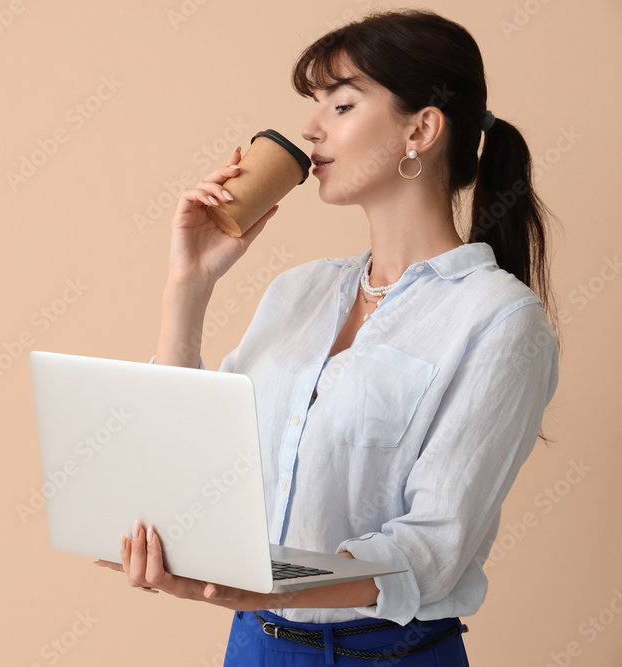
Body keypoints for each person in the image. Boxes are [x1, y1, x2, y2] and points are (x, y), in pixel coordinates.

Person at [93, 7, 560, 666]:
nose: (310, 128)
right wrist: (188, 285)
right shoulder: (299, 290)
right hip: (255, 645)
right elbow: (194, 457)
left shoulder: (499, 322)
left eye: (340, 104)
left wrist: (259, 582)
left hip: (387, 655)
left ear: (421, 129)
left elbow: (432, 549)